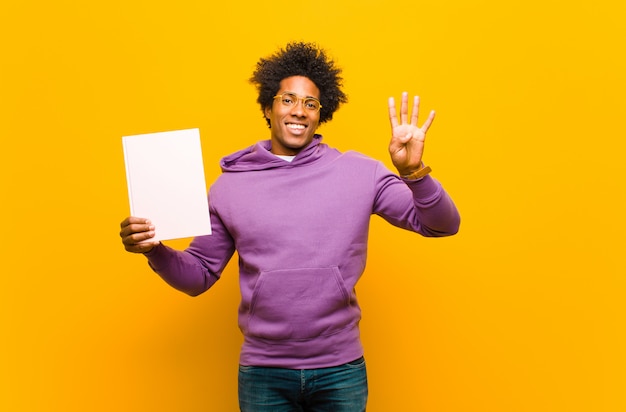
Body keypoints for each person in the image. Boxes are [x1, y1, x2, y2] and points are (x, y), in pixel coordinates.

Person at [120, 41, 460, 412]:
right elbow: (198, 276)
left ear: (321, 114)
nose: (299, 111)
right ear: (268, 108)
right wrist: (153, 249)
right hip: (263, 372)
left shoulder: (360, 173)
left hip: (340, 369)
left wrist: (413, 172)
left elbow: (442, 225)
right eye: (287, 100)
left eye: (310, 103)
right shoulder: (229, 187)